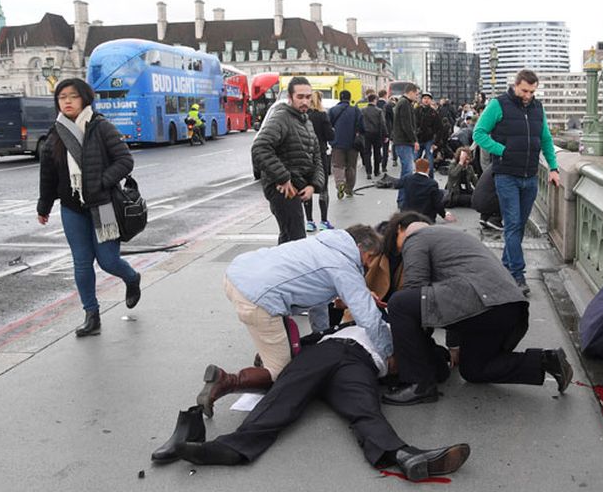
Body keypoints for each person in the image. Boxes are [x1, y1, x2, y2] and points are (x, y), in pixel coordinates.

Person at [163, 325, 470, 482]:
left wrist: (444, 357)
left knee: (364, 410)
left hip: (359, 365)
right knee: (284, 395)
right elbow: (300, 344)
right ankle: (231, 448)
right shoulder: (361, 322)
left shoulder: (411, 337)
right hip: (332, 351)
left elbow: (437, 366)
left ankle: (403, 454)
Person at [197, 225, 392, 417]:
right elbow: (369, 317)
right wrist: (388, 353)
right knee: (283, 374)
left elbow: (317, 301)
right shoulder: (344, 265)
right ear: (359, 247)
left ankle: (266, 354)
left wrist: (321, 337)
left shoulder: (324, 243)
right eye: (371, 257)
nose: (369, 264)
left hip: (238, 276)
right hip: (259, 298)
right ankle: (225, 381)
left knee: (279, 337)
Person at [381, 221, 573, 406]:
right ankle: (546, 361)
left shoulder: (415, 237)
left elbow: (416, 289)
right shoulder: (453, 240)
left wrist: (412, 349)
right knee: (474, 370)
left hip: (484, 303)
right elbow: (450, 296)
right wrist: (454, 345)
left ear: (401, 229)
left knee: (399, 303)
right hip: (507, 308)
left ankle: (418, 385)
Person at [37, 78, 142, 337]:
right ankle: (91, 315)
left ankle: (132, 278)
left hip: (103, 204)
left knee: (108, 261)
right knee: (82, 264)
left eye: (73, 96)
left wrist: (102, 182)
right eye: (62, 98)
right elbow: (48, 174)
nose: (68, 101)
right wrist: (44, 205)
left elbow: (125, 160)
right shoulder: (55, 133)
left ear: (84, 98)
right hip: (72, 208)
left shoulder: (101, 126)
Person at [473, 69, 561, 296]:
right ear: (515, 86)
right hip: (506, 176)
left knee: (519, 226)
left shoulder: (537, 108)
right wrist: (502, 151)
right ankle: (517, 275)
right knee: (512, 224)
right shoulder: (498, 105)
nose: (528, 96)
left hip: (530, 176)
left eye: (532, 91)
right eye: (524, 90)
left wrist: (552, 168)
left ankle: (504, 266)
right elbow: (479, 134)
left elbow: (546, 140)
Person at [251, 76, 324, 244]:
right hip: (282, 189)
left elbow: (317, 157)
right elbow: (260, 147)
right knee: (295, 240)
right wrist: (283, 178)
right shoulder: (281, 118)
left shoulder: (307, 121)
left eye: (308, 96)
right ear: (290, 98)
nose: (305, 101)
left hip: (298, 187)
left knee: (289, 239)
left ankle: (280, 268)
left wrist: (314, 185)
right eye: (300, 97)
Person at [303, 91, 334, 232]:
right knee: (323, 188)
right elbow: (330, 135)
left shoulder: (303, 116)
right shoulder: (322, 115)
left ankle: (309, 221)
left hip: (304, 155)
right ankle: (323, 221)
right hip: (320, 154)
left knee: (306, 187)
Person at [328, 90, 364, 199]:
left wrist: (331, 140)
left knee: (338, 165)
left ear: (339, 98)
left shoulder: (333, 110)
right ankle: (349, 189)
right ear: (350, 98)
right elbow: (362, 127)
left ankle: (340, 184)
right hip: (352, 143)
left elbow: (328, 126)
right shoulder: (356, 110)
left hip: (337, 143)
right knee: (351, 167)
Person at [395, 158, 454, 224]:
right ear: (428, 170)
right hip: (425, 217)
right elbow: (437, 203)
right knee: (440, 193)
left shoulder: (407, 178)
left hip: (407, 215)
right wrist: (444, 215)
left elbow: (397, 184)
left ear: (416, 168)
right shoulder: (432, 183)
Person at [392, 84, 419, 182]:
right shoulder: (405, 104)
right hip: (404, 142)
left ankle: (403, 196)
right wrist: (414, 140)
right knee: (408, 170)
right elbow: (407, 125)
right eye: (416, 94)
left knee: (405, 171)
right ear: (411, 92)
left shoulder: (403, 102)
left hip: (402, 141)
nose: (417, 97)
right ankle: (404, 196)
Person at [415, 93, 445, 178]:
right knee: (415, 160)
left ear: (431, 100)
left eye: (428, 98)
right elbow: (412, 125)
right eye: (424, 98)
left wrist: (436, 143)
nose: (426, 100)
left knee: (430, 162)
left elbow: (439, 129)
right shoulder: (416, 111)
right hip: (418, 139)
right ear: (422, 100)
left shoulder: (434, 113)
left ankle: (430, 180)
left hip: (429, 140)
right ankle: (417, 178)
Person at [361, 93, 385, 179]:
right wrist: (385, 135)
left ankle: (368, 172)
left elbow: (360, 122)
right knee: (377, 152)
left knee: (367, 153)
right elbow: (382, 124)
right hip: (376, 134)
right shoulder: (379, 111)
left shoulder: (363, 110)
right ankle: (376, 171)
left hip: (366, 134)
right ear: (375, 100)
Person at [472, 165, 503, 230]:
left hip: (476, 200)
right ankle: (495, 220)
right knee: (510, 195)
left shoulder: (493, 165)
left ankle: (484, 217)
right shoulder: (505, 167)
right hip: (486, 201)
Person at [378, 90, 392, 171]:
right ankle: (384, 166)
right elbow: (392, 118)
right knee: (385, 149)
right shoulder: (388, 105)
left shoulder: (375, 104)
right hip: (386, 130)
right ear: (385, 95)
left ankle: (377, 164)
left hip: (376, 130)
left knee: (376, 148)